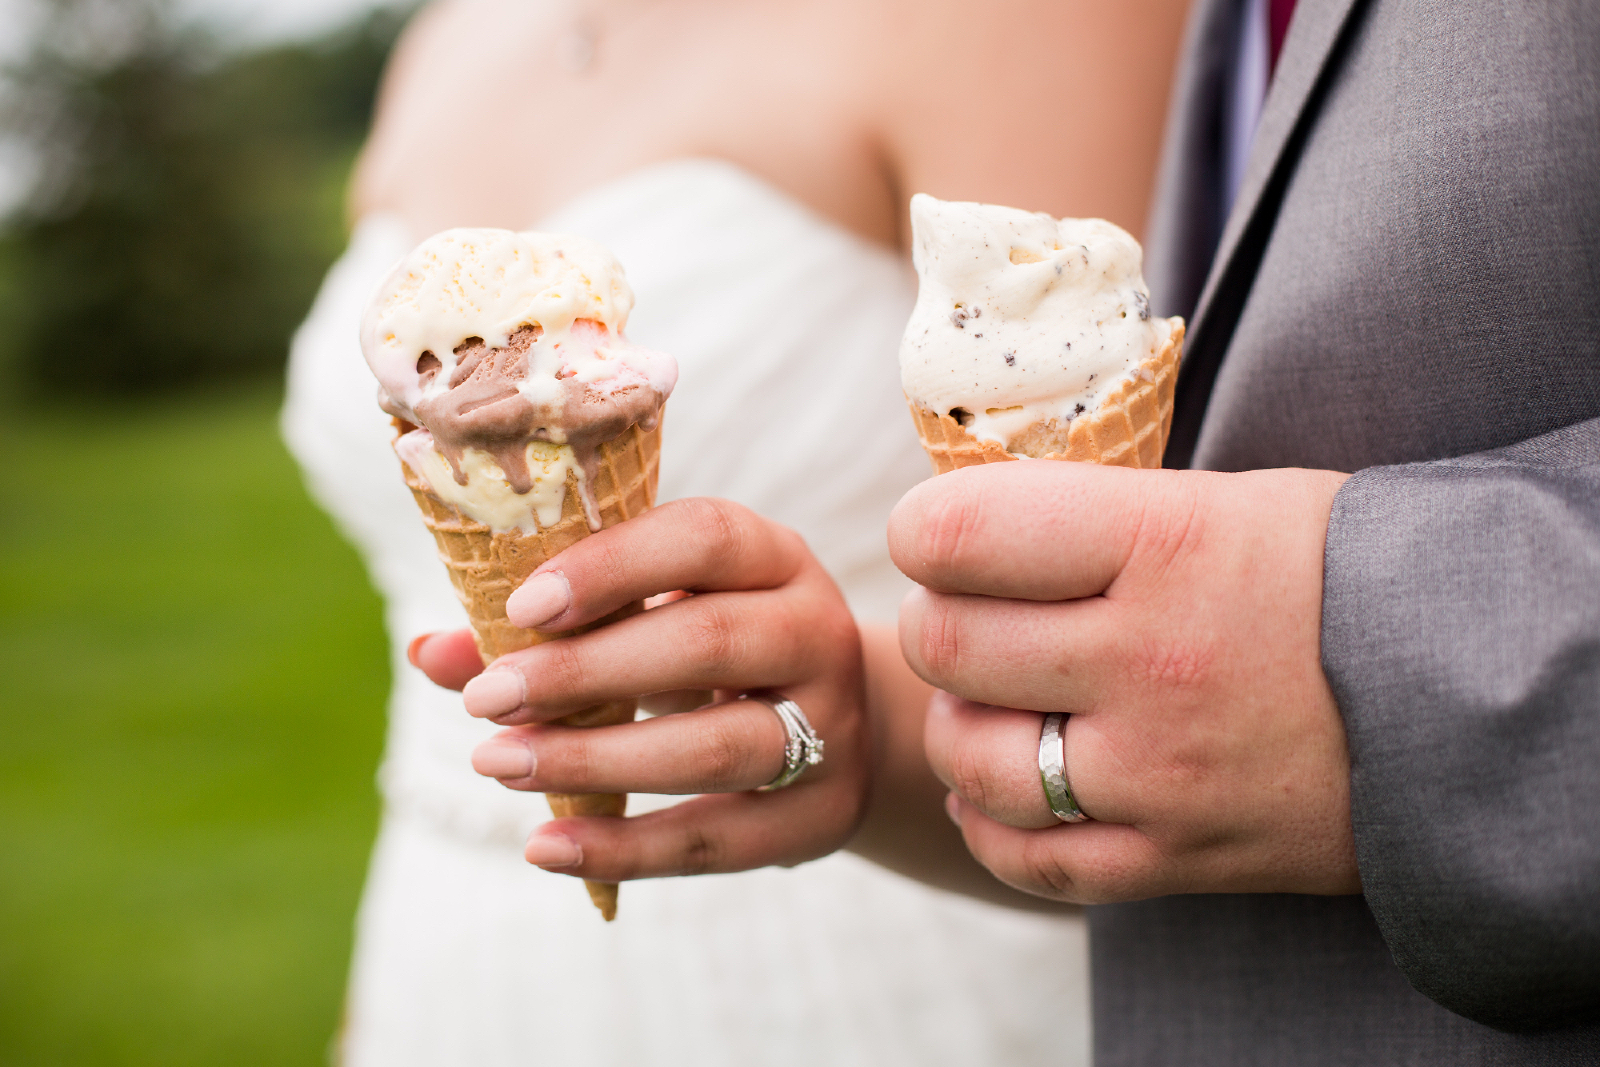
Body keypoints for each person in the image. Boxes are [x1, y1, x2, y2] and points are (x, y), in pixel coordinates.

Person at [415, 0, 1600, 1062]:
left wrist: (1382, 642)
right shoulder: (442, 41)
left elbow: (1136, 583)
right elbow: (1126, 703)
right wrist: (852, 715)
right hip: (455, 956)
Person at [283, 0, 1189, 1063]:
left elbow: (1147, 678)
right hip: (447, 961)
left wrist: (855, 721)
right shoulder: (443, 37)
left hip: (872, 967)